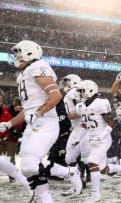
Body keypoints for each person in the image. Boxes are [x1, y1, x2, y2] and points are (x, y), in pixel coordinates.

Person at [0, 40, 81, 203]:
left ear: (29, 53)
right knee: (28, 168)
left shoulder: (38, 67)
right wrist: (9, 124)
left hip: (45, 124)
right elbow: (27, 110)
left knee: (30, 165)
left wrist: (38, 112)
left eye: (18, 52)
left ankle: (64, 178)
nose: (16, 56)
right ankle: (49, 195)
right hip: (33, 125)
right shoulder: (24, 74)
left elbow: (56, 95)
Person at [75, 80, 121, 202]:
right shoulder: (82, 106)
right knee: (103, 169)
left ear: (90, 90)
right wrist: (78, 139)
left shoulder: (100, 103)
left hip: (103, 139)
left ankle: (96, 194)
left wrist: (100, 136)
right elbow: (85, 125)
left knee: (92, 161)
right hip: (92, 139)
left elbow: (111, 123)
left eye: (82, 91)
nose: (80, 94)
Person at [60, 74, 88, 195]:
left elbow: (83, 109)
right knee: (71, 158)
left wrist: (69, 117)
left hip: (82, 129)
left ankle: (78, 185)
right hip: (78, 128)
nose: (65, 85)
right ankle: (78, 184)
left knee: (77, 158)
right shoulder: (70, 94)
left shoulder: (74, 92)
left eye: (67, 82)